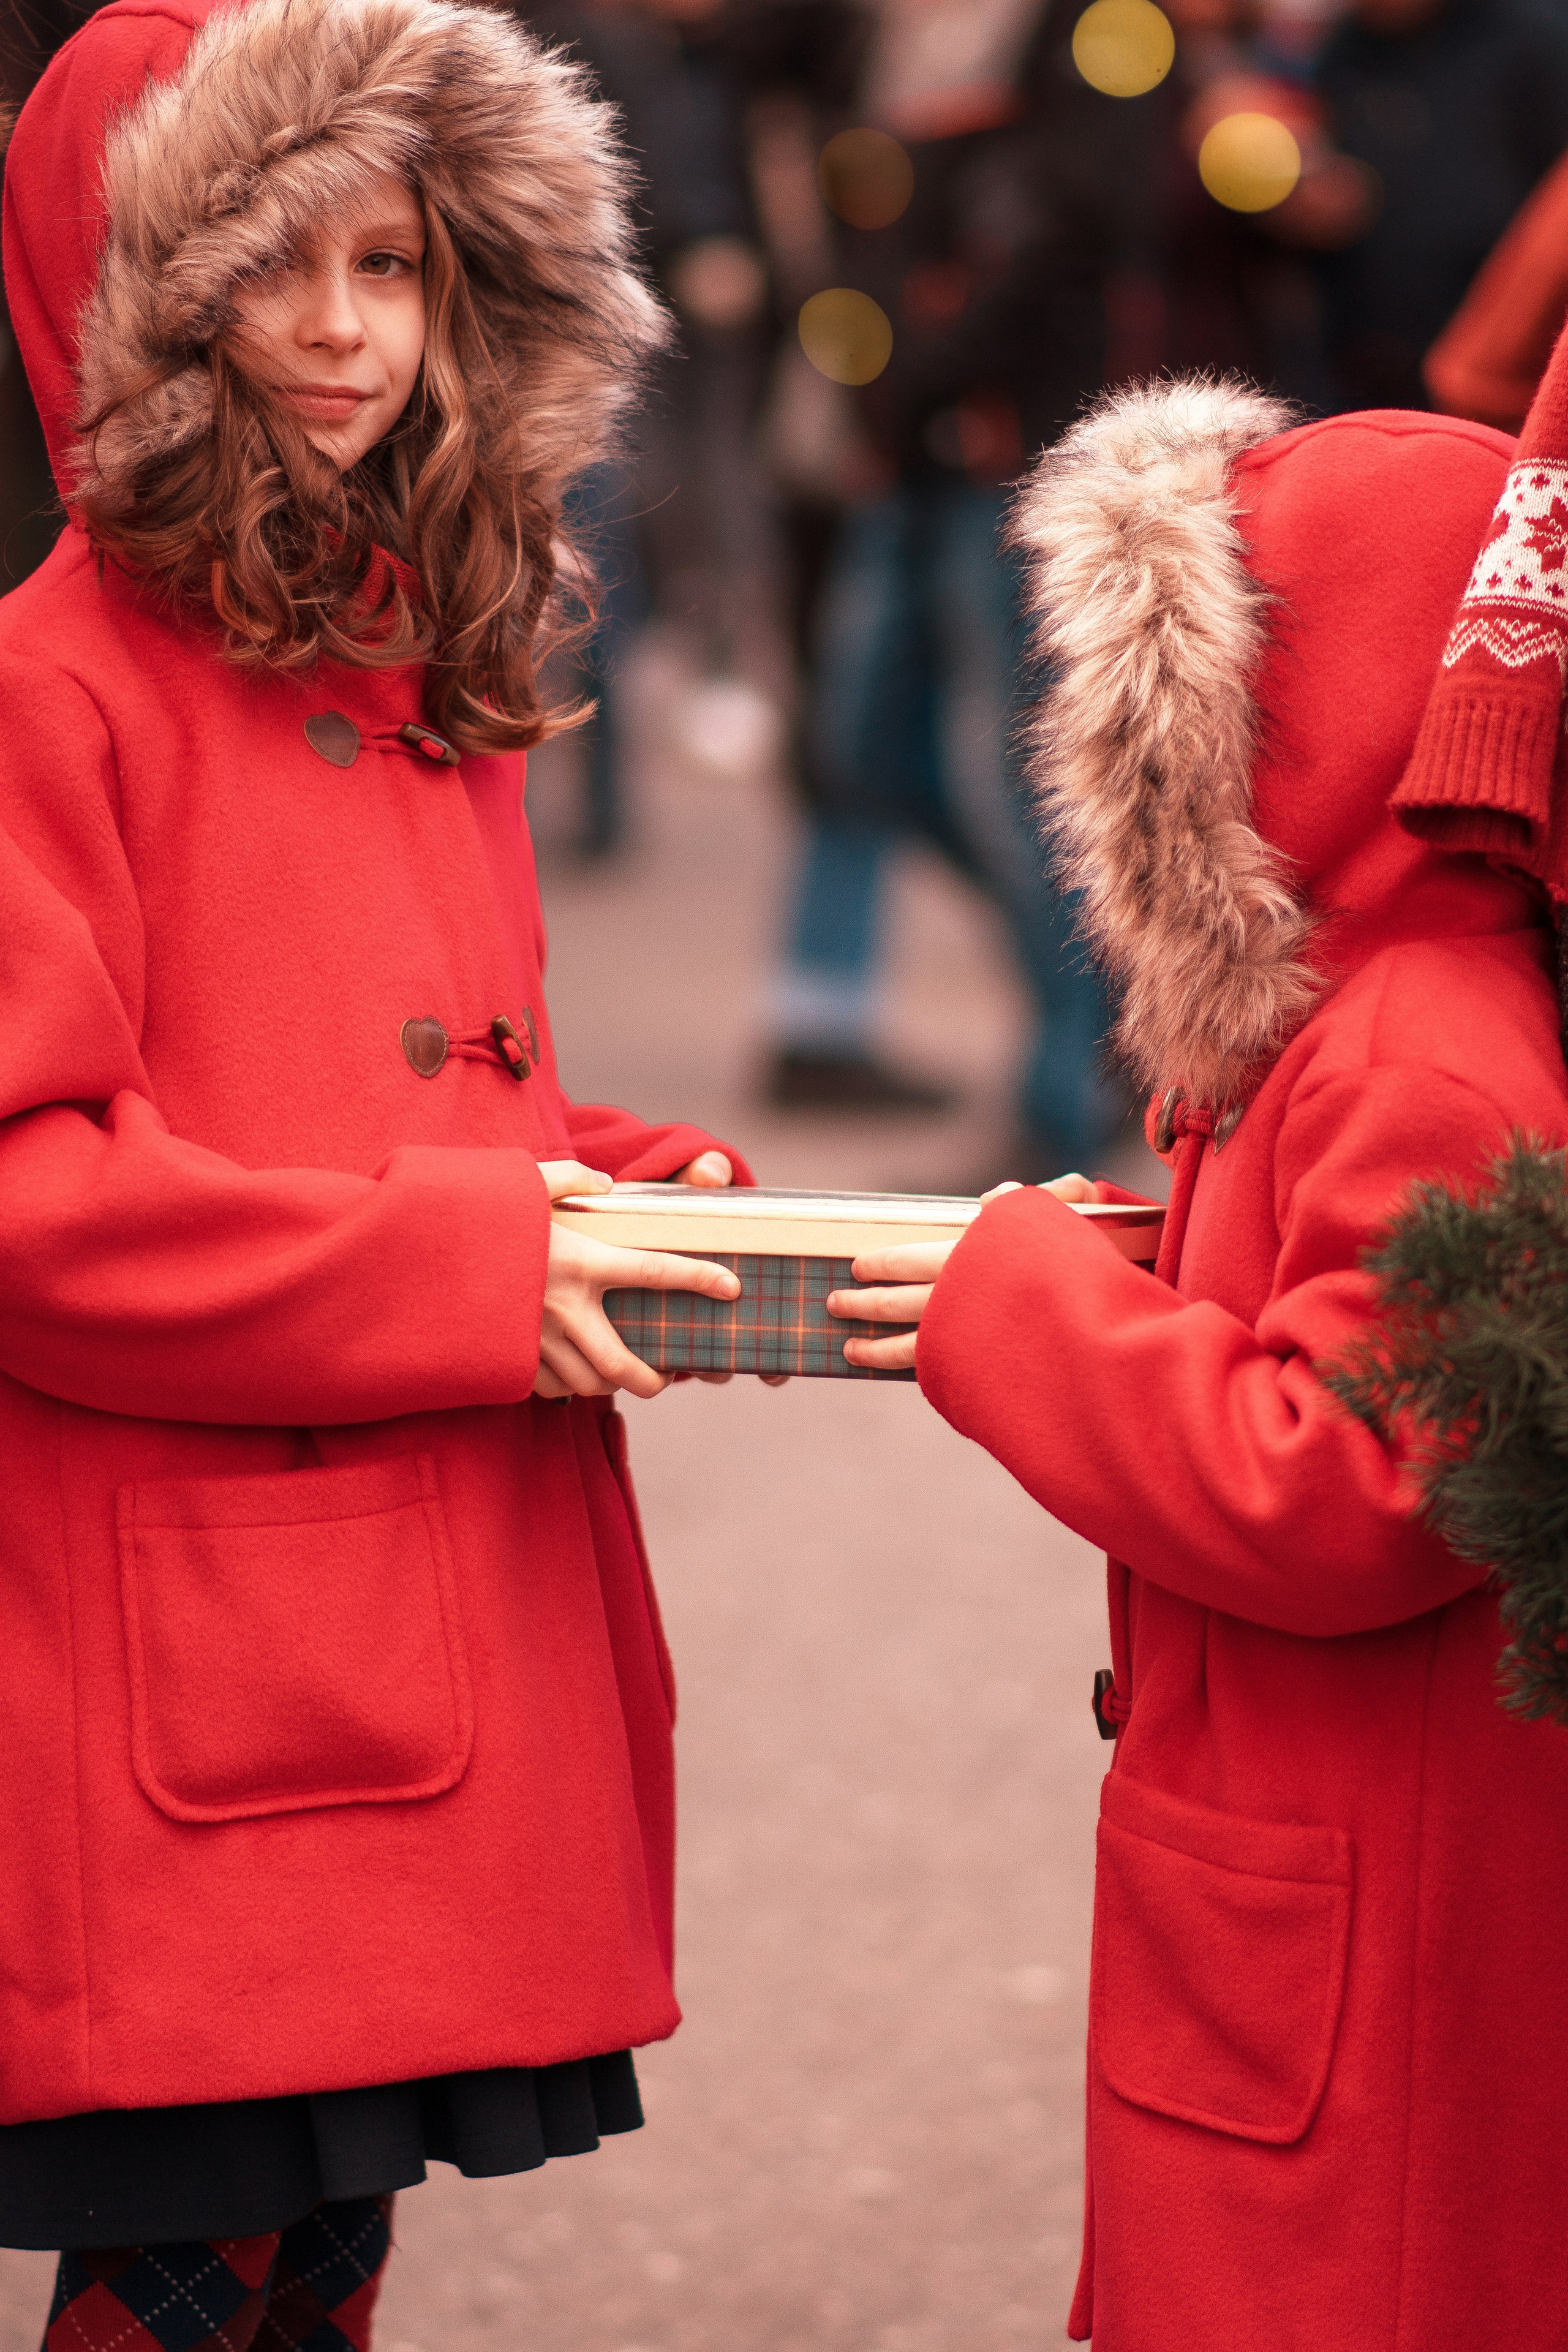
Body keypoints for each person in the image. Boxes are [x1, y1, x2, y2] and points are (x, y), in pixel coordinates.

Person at [0, 0, 757, 2342]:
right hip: (202, 1637)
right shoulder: (57, 685)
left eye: (398, 266)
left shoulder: (421, 651)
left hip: (401, 1598)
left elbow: (421, 1105)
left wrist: (659, 1184)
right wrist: (469, 1268)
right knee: (194, 2252)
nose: (346, 332)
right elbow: (30, 1186)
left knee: (330, 2244)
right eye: (273, 266)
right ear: (138, 292)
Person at [827, 372, 1568, 2340]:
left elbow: (1352, 1480)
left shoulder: (1422, 1042)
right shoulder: (1362, 1008)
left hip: (1361, 1964)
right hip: (1309, 1905)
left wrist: (1022, 1309)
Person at [761, 0, 1151, 1163]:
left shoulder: (1105, 29)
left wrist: (919, 368)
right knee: (857, 754)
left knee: (1022, 782)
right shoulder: (872, 30)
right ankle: (1102, 1004)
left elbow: (1079, 224)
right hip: (903, 450)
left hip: (1013, 451)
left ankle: (1066, 1100)